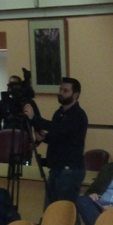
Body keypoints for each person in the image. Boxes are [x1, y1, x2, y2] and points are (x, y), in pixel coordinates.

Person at [24, 77, 88, 208]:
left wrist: (34, 118)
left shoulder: (78, 115)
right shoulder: (59, 113)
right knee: (51, 210)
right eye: (60, 89)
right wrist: (44, 138)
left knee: (63, 211)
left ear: (75, 95)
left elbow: (60, 129)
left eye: (65, 91)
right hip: (56, 169)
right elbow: (58, 137)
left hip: (69, 170)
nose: (61, 93)